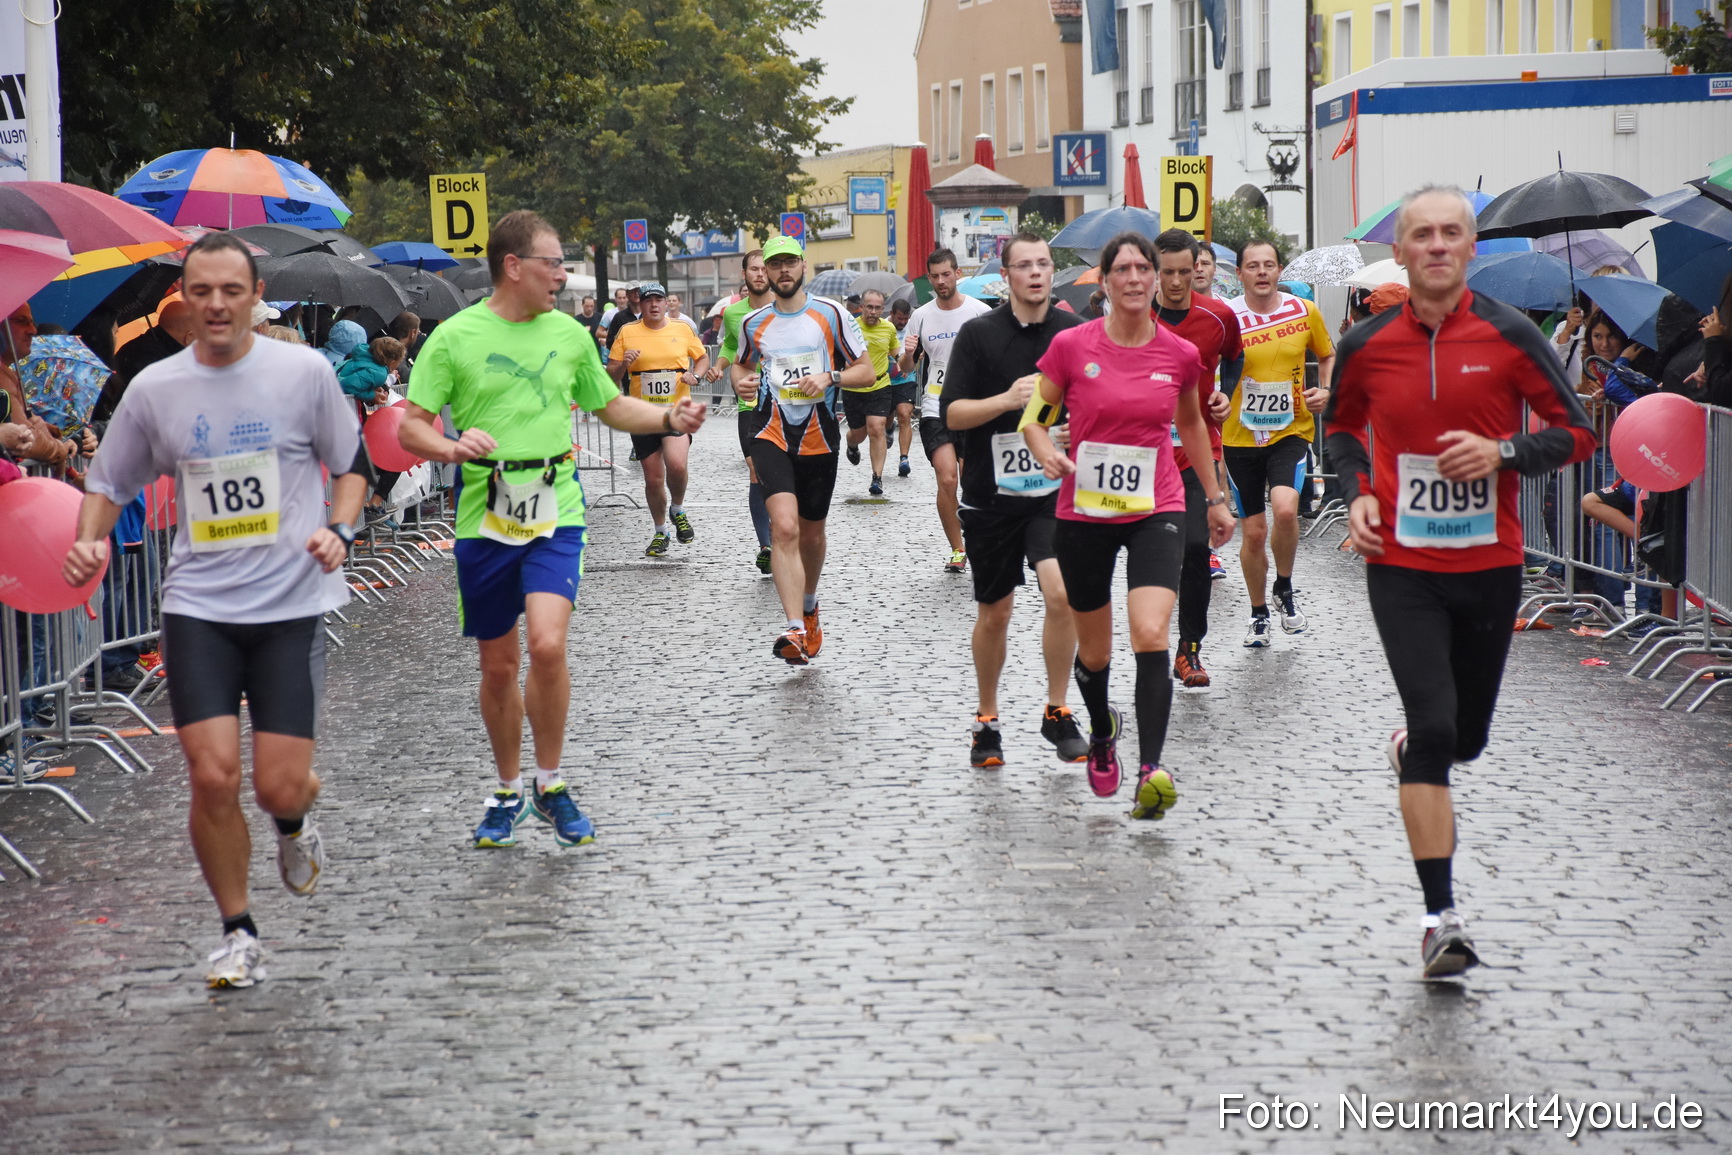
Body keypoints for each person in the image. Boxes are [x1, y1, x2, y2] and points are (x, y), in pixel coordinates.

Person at [64, 232, 372, 989]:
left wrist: (339, 528)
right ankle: (237, 930)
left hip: (289, 606)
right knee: (211, 773)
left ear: (254, 293)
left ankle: (294, 819)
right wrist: (88, 541)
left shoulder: (301, 372)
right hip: (198, 607)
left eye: (231, 290)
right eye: (200, 291)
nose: (215, 304)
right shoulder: (156, 389)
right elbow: (110, 480)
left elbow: (354, 465)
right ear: (183, 298)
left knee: (276, 785)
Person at [1325, 185, 1596, 977]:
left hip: (1489, 563)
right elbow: (1339, 431)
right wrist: (1358, 494)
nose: (1437, 246)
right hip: (1402, 567)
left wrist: (1503, 454)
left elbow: (1576, 431)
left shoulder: (1510, 335)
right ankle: (1440, 916)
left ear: (1470, 248)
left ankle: (1418, 747)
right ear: (1401, 254)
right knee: (1438, 730)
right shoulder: (1368, 343)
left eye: (1451, 234)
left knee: (1464, 738)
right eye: (1422, 235)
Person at [398, 211, 705, 851]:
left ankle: (550, 780)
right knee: (497, 663)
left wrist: (667, 417)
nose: (562, 276)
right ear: (514, 266)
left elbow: (608, 405)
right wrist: (451, 449)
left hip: (554, 506)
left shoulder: (568, 334)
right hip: (483, 512)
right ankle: (508, 789)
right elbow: (410, 426)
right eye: (553, 263)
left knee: (546, 644)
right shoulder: (454, 337)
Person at [1020, 232, 1235, 820]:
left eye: (1146, 268)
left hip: (1156, 504)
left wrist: (1214, 496)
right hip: (1084, 510)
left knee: (1149, 632)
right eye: (1126, 269)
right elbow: (1036, 417)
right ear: (1107, 281)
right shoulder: (1070, 346)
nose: (1138, 278)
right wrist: (1044, 448)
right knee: (1094, 651)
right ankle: (1101, 729)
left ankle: (1150, 768)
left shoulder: (1179, 355)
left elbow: (1191, 425)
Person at [941, 232, 1090, 768]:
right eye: (1023, 265)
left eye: (1043, 264)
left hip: (1053, 493)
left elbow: (1097, 403)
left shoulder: (1075, 333)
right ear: (1005, 275)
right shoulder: (979, 335)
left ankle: (1057, 710)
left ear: (1053, 273)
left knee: (1061, 594)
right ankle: (987, 719)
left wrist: (1075, 430)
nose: (1035, 273)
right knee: (995, 612)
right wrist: (1006, 399)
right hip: (990, 495)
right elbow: (952, 414)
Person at [730, 235, 872, 664]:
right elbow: (741, 363)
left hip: (820, 438)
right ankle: (793, 626)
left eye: (791, 263)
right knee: (785, 529)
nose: (783, 271)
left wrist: (831, 378)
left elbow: (865, 370)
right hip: (769, 432)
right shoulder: (753, 323)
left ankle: (809, 604)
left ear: (803, 266)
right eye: (775, 265)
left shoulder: (831, 315)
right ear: (766, 273)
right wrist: (741, 380)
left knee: (811, 533)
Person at [1223, 240, 1335, 647]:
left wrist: (1324, 389)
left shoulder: (1304, 311)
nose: (1262, 272)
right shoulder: (1227, 317)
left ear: (1279, 269)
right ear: (1240, 274)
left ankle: (1284, 587)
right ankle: (1258, 614)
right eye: (1253, 266)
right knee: (1253, 533)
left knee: (1286, 511)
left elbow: (1327, 354)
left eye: (1269, 264)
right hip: (1239, 437)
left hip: (1291, 430)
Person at [1149, 229, 1243, 689]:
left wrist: (1226, 392)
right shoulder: (1134, 318)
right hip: (1141, 456)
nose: (1177, 282)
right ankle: (1147, 640)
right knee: (1149, 555)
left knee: (1193, 549)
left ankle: (1189, 650)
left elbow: (1234, 358)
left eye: (1186, 272)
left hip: (1195, 453)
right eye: (1168, 273)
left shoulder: (1219, 316)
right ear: (1154, 271)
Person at [899, 248, 991, 573]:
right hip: (935, 407)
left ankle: (978, 537)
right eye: (935, 276)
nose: (941, 281)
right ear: (929, 278)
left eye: (946, 274)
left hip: (971, 408)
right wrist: (909, 353)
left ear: (957, 274)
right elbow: (905, 366)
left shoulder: (980, 312)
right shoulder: (921, 316)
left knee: (969, 481)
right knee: (947, 478)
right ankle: (957, 549)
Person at [607, 281, 707, 555]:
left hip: (676, 412)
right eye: (648, 300)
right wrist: (624, 364)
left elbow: (702, 359)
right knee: (653, 478)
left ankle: (677, 508)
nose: (653, 305)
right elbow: (611, 376)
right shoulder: (627, 332)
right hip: (642, 416)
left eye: (658, 300)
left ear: (666, 303)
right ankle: (660, 531)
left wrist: (695, 375)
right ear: (640, 304)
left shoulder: (682, 329)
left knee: (676, 465)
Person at [706, 251, 777, 573]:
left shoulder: (785, 307)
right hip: (751, 401)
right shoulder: (734, 313)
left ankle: (782, 527)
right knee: (755, 469)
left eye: (765, 269)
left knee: (783, 471)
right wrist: (720, 366)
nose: (760, 274)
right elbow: (731, 345)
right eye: (754, 269)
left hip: (786, 401)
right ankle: (765, 544)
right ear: (745, 273)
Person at [844, 288, 898, 496]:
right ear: (862, 307)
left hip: (880, 384)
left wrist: (909, 356)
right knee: (859, 433)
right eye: (869, 307)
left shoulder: (889, 329)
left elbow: (896, 354)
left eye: (877, 308)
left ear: (883, 309)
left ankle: (877, 478)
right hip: (854, 387)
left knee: (876, 428)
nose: (873, 312)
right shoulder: (850, 328)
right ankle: (851, 444)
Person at [888, 298, 917, 475]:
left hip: (906, 379)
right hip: (885, 381)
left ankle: (904, 458)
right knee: (885, 420)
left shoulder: (912, 329)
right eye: (900, 318)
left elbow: (919, 351)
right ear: (891, 314)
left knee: (905, 415)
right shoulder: (883, 327)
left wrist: (915, 359)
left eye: (906, 318)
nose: (903, 322)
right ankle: (889, 429)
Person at [604, 283, 643, 350]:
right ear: (627, 295)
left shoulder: (649, 314)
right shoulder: (619, 317)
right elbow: (610, 342)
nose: (636, 294)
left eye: (638, 291)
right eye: (633, 291)